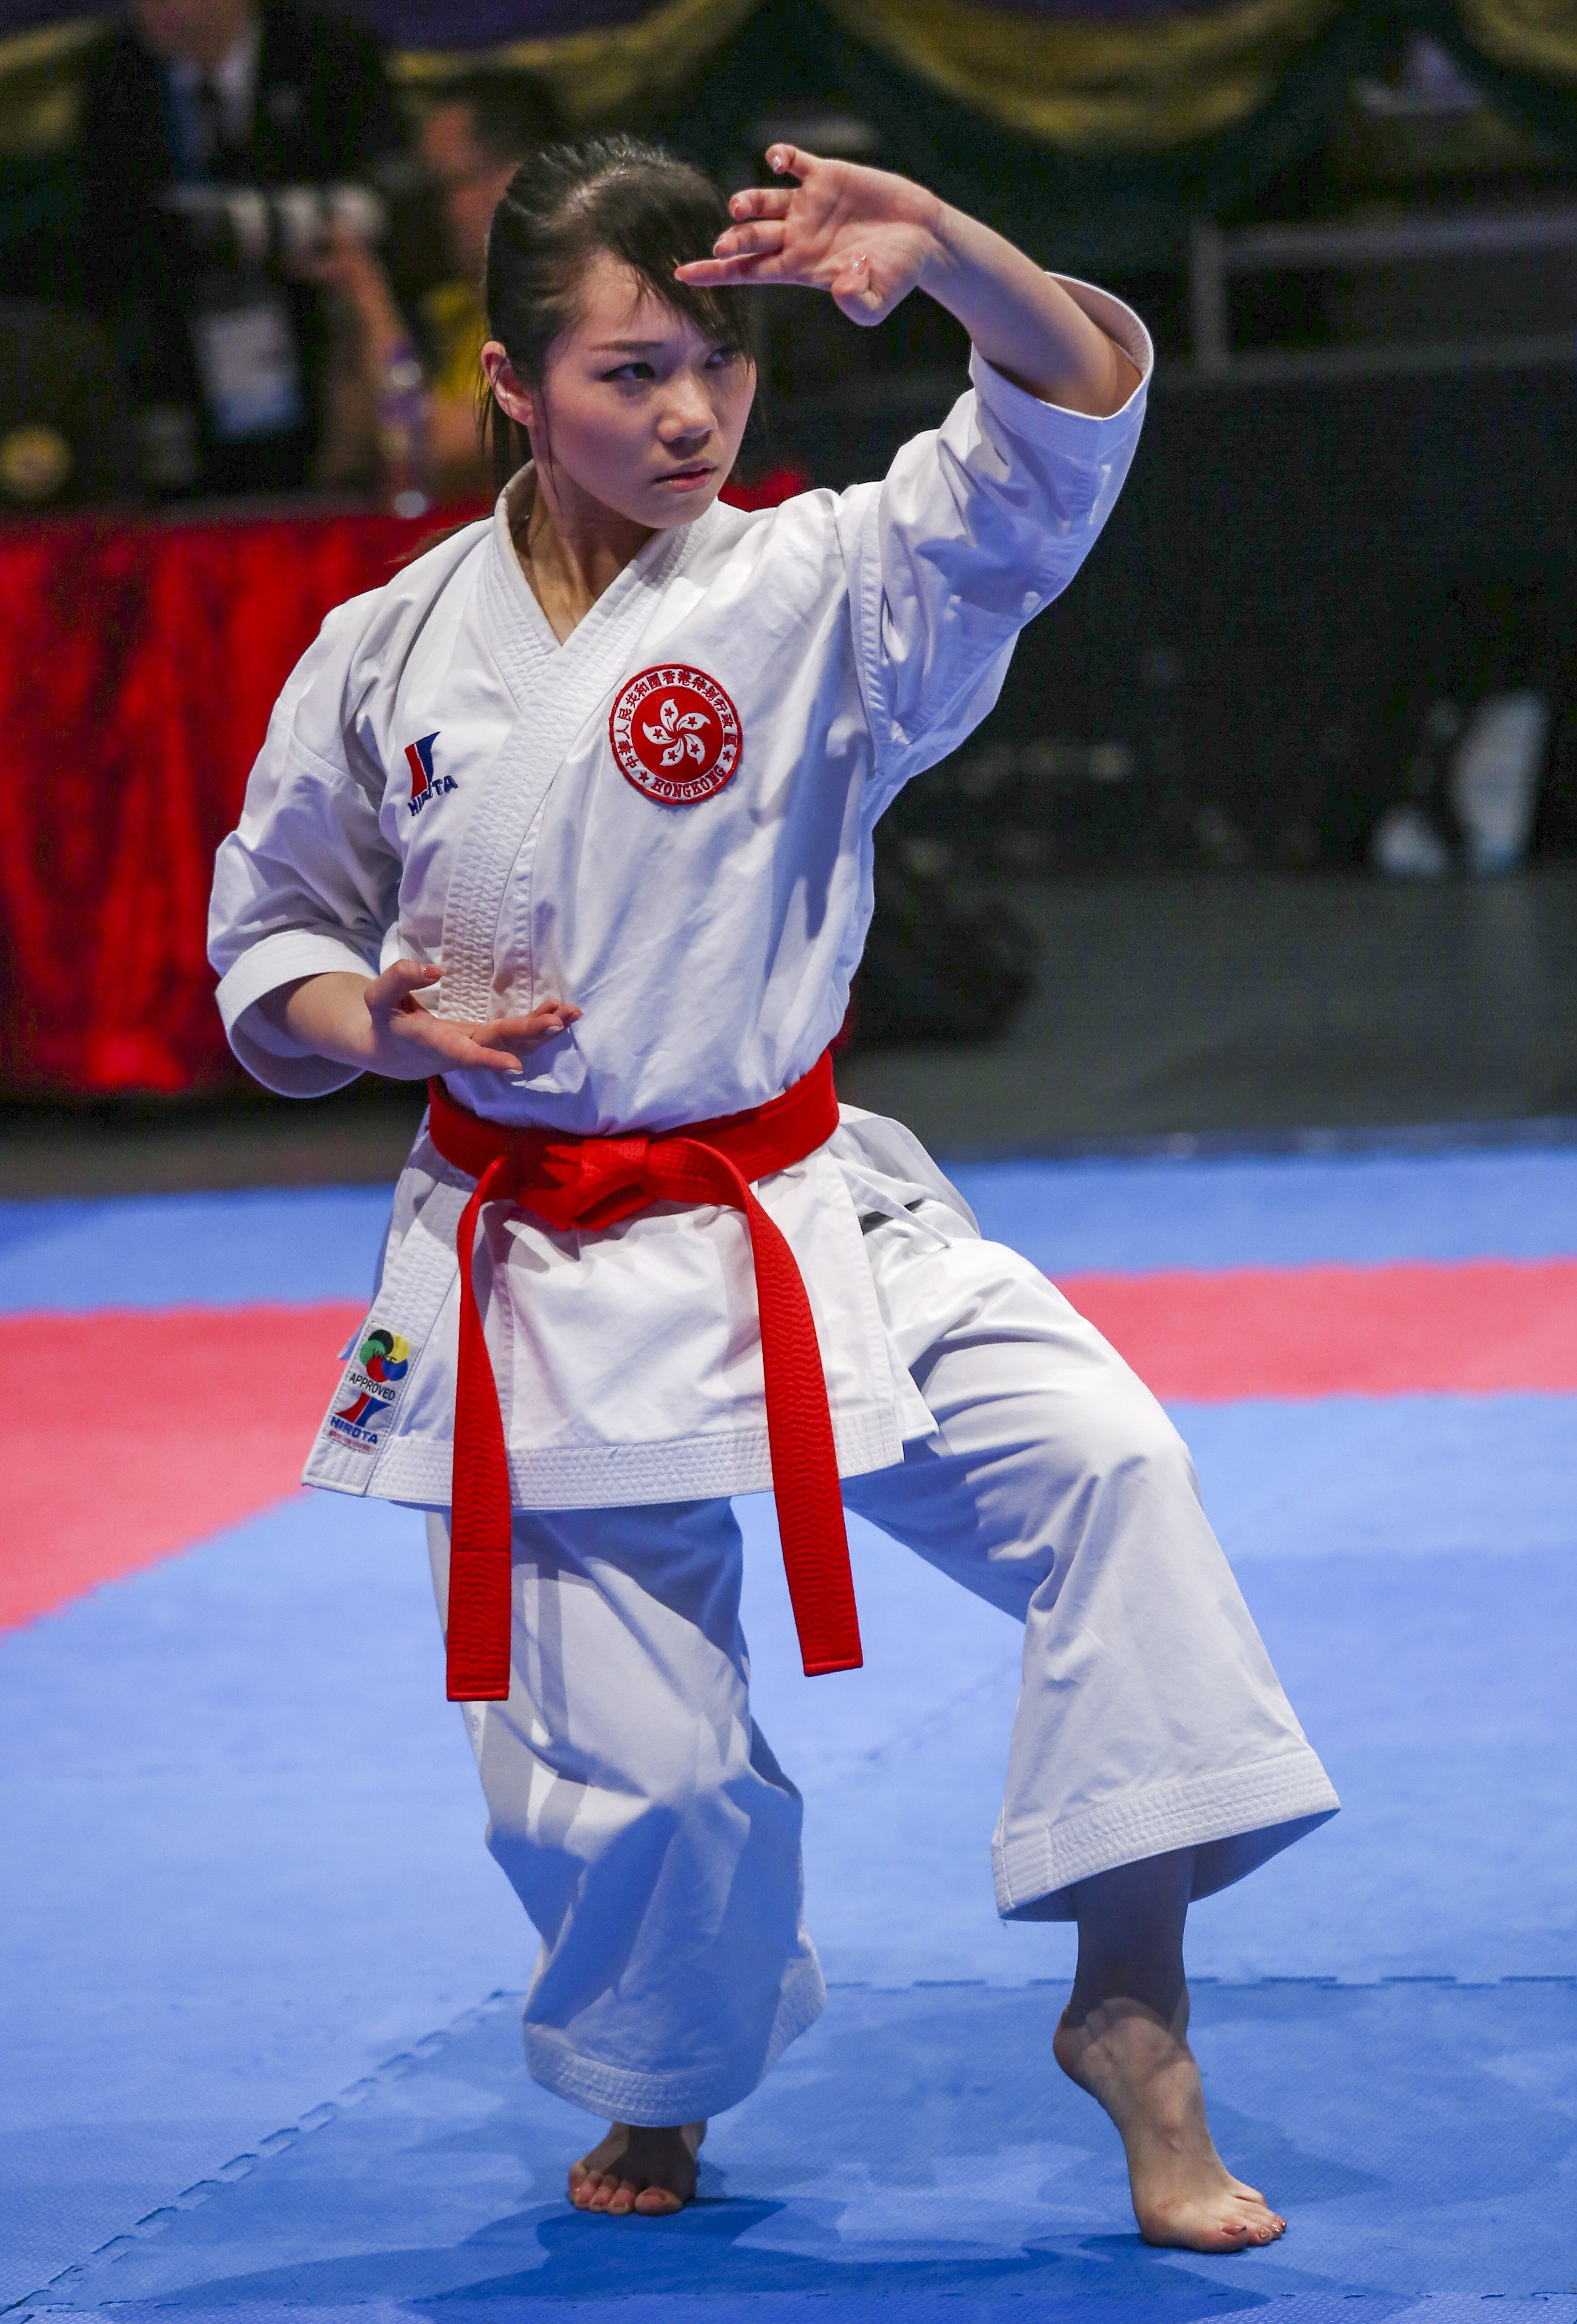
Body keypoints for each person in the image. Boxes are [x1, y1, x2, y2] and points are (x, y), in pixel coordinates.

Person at [207, 136, 1339, 2254]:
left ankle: (1133, 2007)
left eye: (711, 364)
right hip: (536, 1257)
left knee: (1110, 1463)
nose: (686, 412)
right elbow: (266, 949)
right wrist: (382, 1021)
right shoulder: (383, 650)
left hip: (802, 1200)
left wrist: (948, 253)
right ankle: (663, 2077)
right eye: (629, 369)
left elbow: (1071, 404)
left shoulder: (818, 580)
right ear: (507, 383)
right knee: (644, 1785)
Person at [78, 0, 400, 495]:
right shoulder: (115, 73)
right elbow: (108, 236)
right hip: (180, 351)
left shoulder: (330, 53)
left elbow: (380, 205)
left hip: (318, 328)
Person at [309, 72, 558, 502]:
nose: (431, 213)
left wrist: (366, 292)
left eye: (444, 187)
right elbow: (344, 466)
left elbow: (430, 453)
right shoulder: (456, 312)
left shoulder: (565, 314)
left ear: (516, 179)